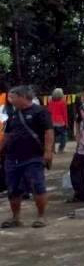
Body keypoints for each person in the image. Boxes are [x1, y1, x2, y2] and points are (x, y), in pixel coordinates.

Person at [0, 85, 53, 228]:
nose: (10, 100)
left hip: (33, 156)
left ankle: (41, 217)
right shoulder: (13, 114)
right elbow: (7, 134)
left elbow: (48, 132)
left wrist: (48, 152)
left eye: (13, 97)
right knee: (13, 189)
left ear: (22, 96)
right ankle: (15, 218)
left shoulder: (40, 111)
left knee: (37, 186)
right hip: (12, 157)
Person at [47, 88, 69, 154]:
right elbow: (64, 113)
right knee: (63, 136)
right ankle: (61, 149)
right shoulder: (63, 102)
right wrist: (66, 122)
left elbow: (49, 112)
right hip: (60, 122)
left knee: (52, 136)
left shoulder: (50, 101)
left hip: (52, 121)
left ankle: (52, 150)